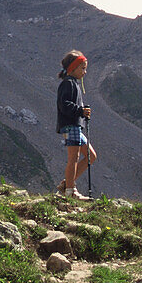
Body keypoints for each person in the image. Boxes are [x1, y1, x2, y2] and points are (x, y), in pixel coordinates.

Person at [56, 50, 97, 200]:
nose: (85, 72)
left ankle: (67, 184)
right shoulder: (68, 84)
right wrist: (80, 111)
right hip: (70, 125)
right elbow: (64, 104)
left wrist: (81, 111)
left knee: (91, 156)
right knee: (74, 157)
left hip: (74, 126)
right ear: (73, 68)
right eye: (83, 68)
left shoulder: (72, 83)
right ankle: (70, 191)